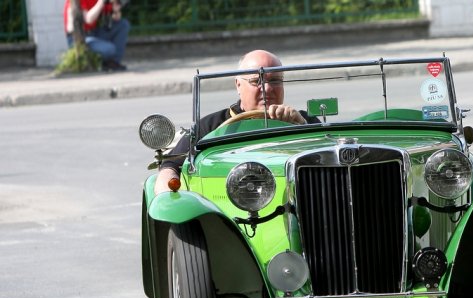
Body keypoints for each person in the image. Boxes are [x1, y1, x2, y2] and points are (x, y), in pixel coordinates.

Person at [154, 50, 319, 194]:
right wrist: (167, 195)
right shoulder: (210, 125)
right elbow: (171, 166)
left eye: (275, 80)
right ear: (238, 85)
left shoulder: (305, 120)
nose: (267, 88)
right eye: (257, 81)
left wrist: (301, 126)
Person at [64, 0, 130, 72]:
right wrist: (101, 2)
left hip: (94, 32)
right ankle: (103, 62)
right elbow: (88, 19)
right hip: (79, 38)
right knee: (110, 49)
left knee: (123, 25)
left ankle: (113, 63)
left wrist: (116, 10)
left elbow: (116, 17)